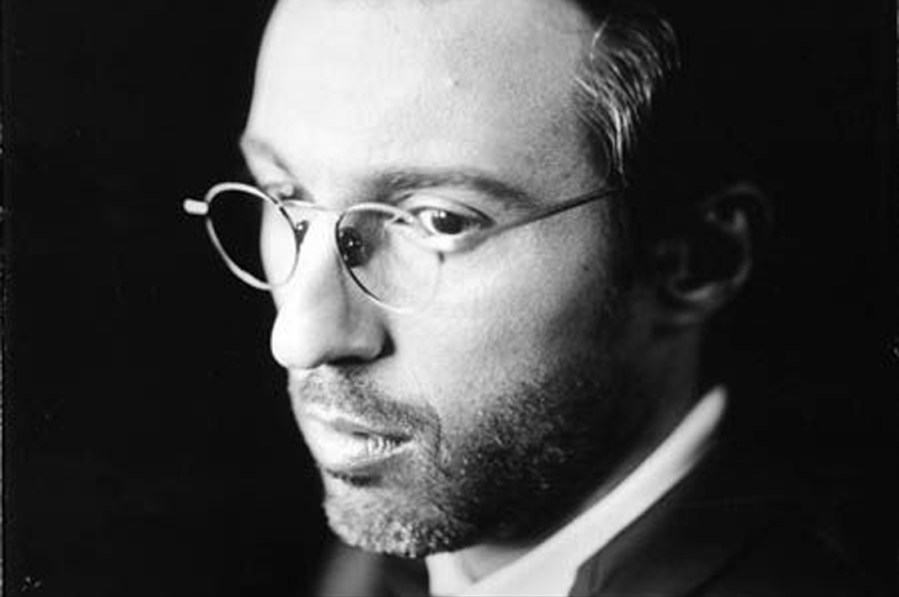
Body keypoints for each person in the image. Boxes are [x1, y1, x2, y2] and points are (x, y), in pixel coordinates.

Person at [183, 0, 887, 595]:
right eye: (285, 197)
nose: (300, 337)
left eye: (438, 222)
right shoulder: (389, 554)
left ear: (697, 261)